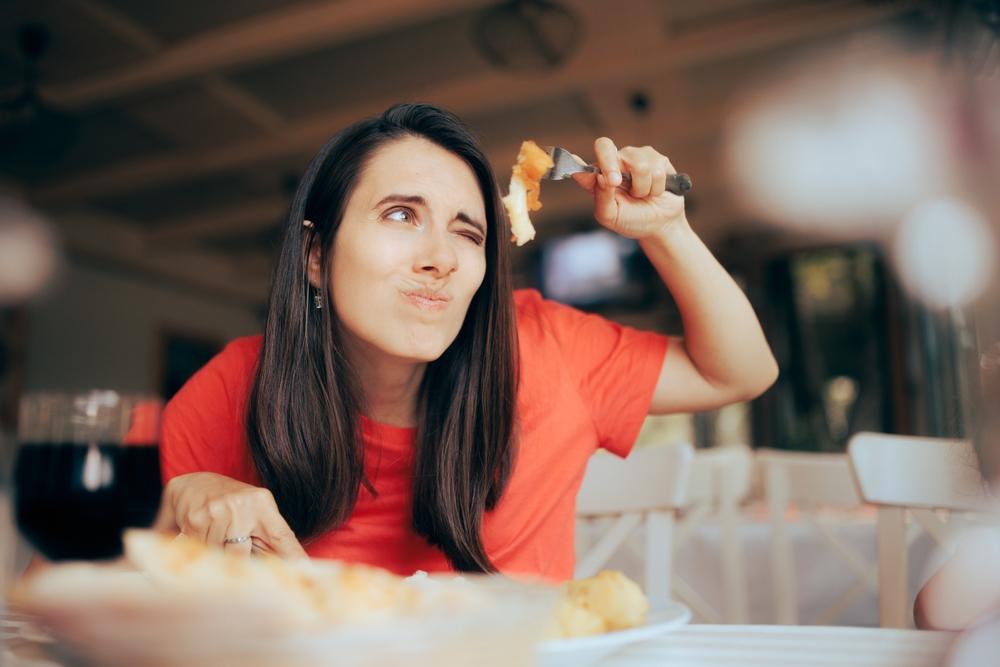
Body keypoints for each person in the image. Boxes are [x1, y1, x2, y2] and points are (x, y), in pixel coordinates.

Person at [156, 103, 778, 579]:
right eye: (401, 214)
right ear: (315, 255)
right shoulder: (228, 393)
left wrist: (668, 229)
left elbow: (740, 371)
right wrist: (188, 505)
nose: (442, 258)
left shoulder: (547, 349)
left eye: (468, 233)